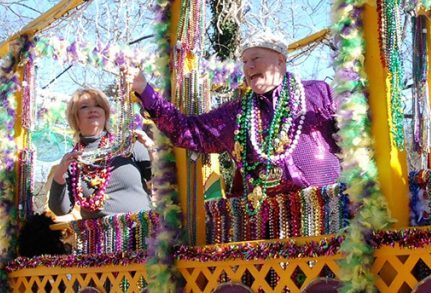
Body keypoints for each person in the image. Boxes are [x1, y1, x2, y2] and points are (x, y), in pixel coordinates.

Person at [125, 31, 342, 201]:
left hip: (330, 211)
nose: (249, 67)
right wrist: (144, 88)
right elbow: (186, 130)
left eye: (255, 58)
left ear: (280, 61)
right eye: (245, 62)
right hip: (271, 227)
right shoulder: (236, 113)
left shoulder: (318, 92)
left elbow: (355, 132)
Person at [47, 88, 154, 219]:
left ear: (105, 113)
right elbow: (61, 210)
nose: (93, 110)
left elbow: (160, 181)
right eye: (84, 107)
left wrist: (151, 148)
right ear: (75, 117)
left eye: (98, 105)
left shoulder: (128, 145)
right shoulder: (72, 161)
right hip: (98, 237)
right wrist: (59, 173)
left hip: (140, 233)